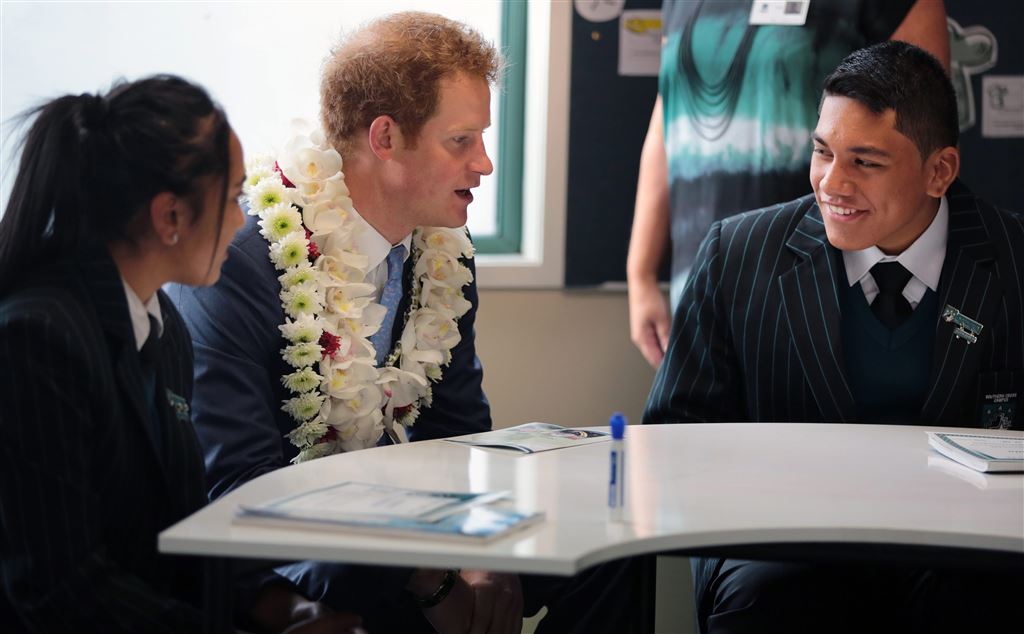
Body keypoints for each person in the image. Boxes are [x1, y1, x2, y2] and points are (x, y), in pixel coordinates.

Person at [168, 12, 637, 634]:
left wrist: (482, 554)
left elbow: (459, 431)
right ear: (385, 138)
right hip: (293, 551)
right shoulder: (241, 260)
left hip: (408, 523)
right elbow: (241, 486)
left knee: (609, 541)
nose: (485, 164)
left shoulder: (443, 251)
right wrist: (432, 576)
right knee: (371, 575)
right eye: (461, 140)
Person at [644, 41, 1024, 633]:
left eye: (865, 162)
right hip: (784, 549)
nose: (832, 183)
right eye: (822, 152)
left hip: (969, 554)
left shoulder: (1015, 261)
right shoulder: (736, 254)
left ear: (940, 171)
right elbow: (672, 436)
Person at [0, 77, 363, 633]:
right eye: (234, 197)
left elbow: (182, 526)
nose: (242, 220)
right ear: (170, 216)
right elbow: (59, 586)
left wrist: (285, 608)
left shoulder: (162, 325)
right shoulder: (36, 341)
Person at [627, 0, 950, 368]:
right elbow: (669, 118)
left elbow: (923, 138)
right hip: (703, 279)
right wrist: (641, 273)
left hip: (824, 285)